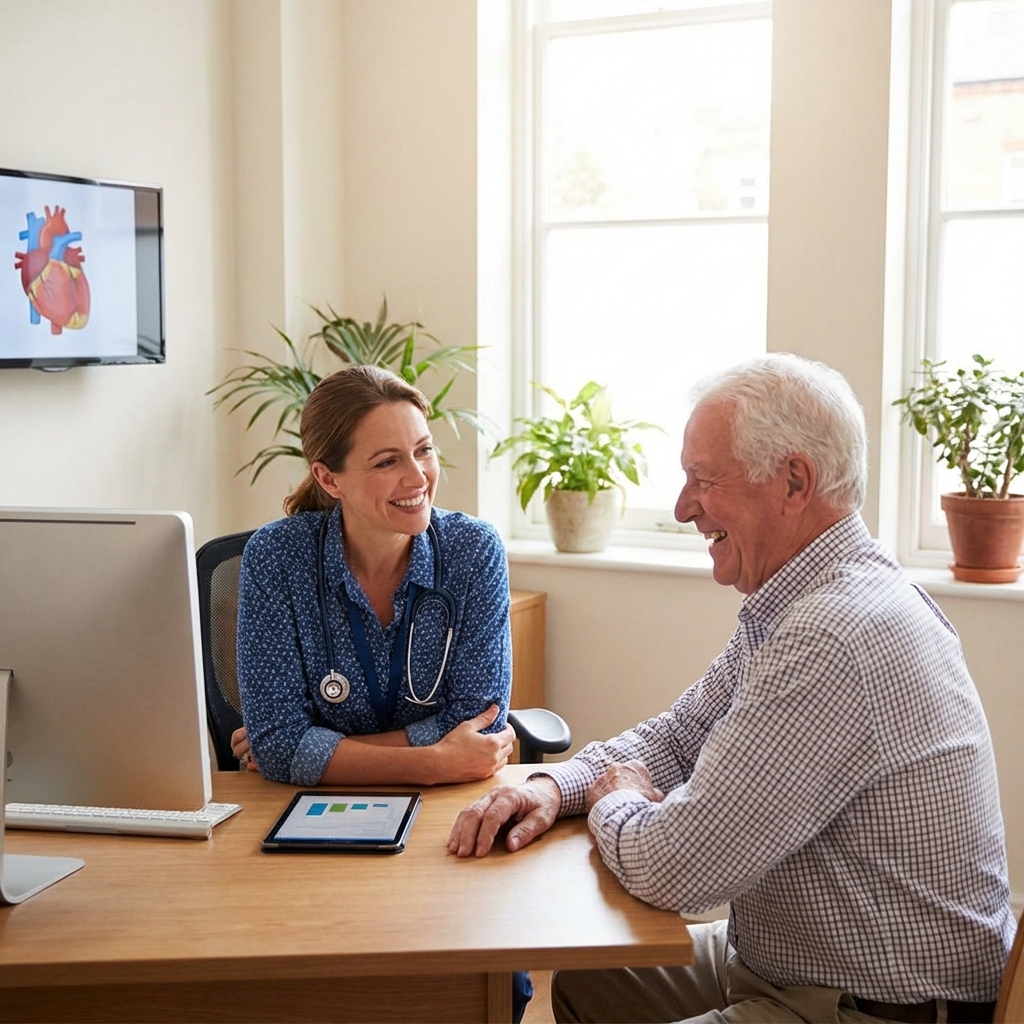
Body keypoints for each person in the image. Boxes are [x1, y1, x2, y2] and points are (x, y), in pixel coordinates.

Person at [448, 354, 1014, 1024]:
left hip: (878, 1005)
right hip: (789, 963)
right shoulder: (803, 602)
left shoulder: (834, 633)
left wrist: (614, 803)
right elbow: (679, 735)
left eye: (704, 480)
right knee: (588, 979)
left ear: (795, 482)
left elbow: (676, 870)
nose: (686, 506)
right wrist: (551, 787)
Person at [232, 364, 516, 787]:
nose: (418, 477)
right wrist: (435, 761)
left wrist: (315, 750)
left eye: (423, 450)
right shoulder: (277, 557)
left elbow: (481, 725)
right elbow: (278, 743)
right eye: (387, 461)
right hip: (308, 814)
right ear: (329, 479)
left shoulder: (473, 551)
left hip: (447, 809)